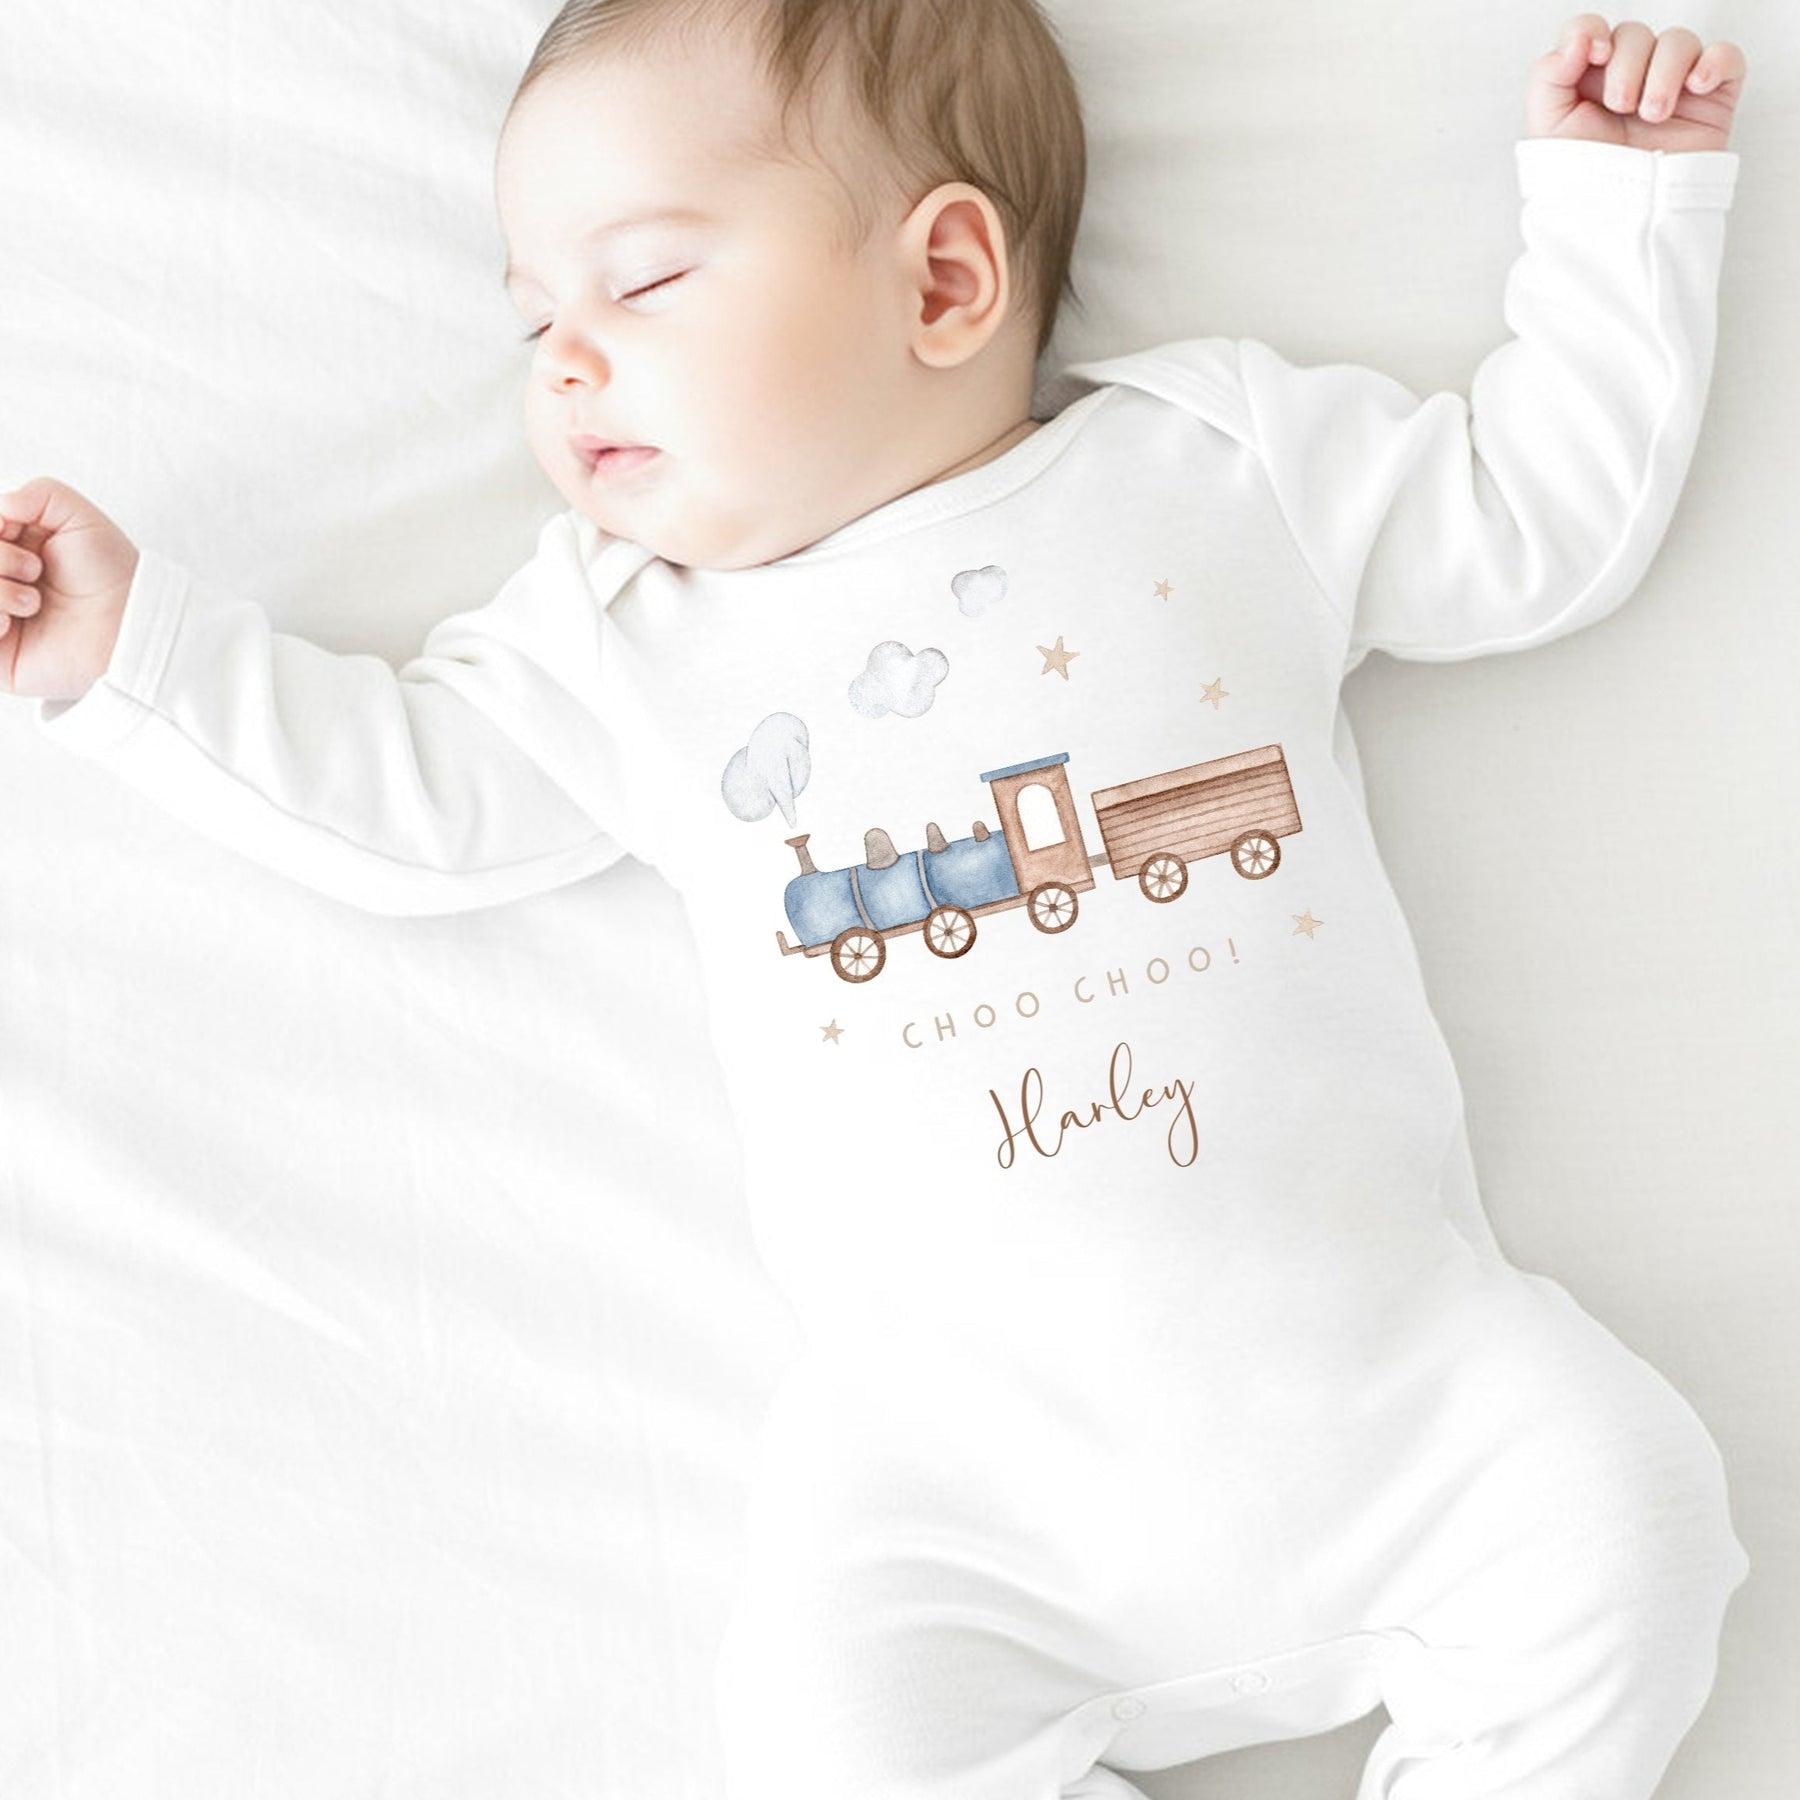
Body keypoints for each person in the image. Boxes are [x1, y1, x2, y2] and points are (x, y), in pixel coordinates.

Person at [0, 4, 1754, 1796]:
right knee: (824, 1732)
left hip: (1408, 1398)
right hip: (962, 1505)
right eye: (536, 321)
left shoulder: (1220, 466)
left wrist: (1619, 217)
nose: (566, 364)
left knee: (1631, 1517)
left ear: (943, 279)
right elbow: (410, 795)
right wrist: (133, 652)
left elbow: (1530, 520)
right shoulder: (624, 641)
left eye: (643, 284)